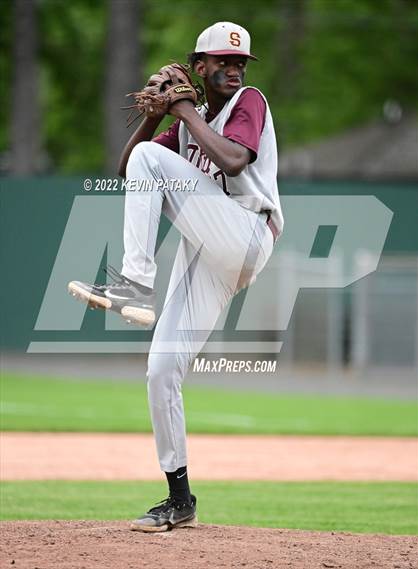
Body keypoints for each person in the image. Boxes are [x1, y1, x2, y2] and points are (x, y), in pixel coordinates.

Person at [68, 21, 284, 532]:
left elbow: (233, 161)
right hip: (209, 252)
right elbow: (130, 171)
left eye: (239, 61)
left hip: (247, 231)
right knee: (162, 370)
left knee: (154, 160)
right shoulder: (190, 123)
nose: (233, 68)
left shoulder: (248, 100)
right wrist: (154, 118)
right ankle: (179, 497)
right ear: (198, 66)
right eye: (221, 60)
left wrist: (182, 109)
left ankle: (134, 283)